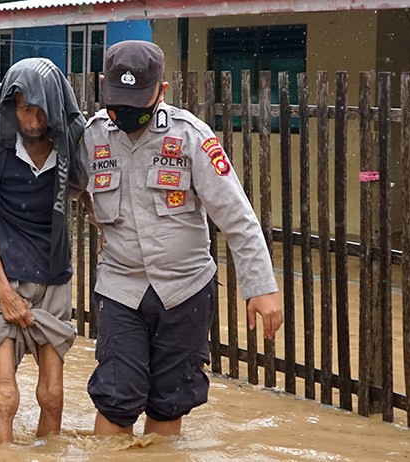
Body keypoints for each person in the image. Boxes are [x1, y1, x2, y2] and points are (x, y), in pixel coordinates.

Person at [82, 40, 284, 436]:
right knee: (115, 396)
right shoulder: (90, 137)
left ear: (162, 90)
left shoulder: (192, 137)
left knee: (169, 401)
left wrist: (261, 287)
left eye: (139, 104)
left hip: (186, 290)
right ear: (104, 86)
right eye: (117, 104)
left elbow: (238, 217)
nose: (126, 115)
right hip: (120, 288)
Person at [0, 57, 90, 445]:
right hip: (2, 270)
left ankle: (48, 452)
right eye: (22, 108)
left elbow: (87, 196)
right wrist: (3, 291)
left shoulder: (71, 143)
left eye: (38, 110)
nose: (30, 120)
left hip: (52, 271)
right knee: (5, 393)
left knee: (52, 392)